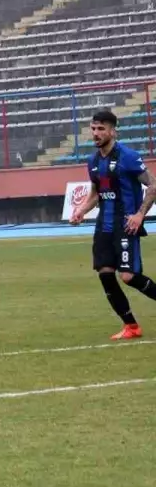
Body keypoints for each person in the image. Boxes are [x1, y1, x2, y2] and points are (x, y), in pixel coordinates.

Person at [69, 109, 156, 340]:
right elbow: (97, 194)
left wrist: (139, 215)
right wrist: (81, 211)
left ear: (112, 131)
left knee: (128, 276)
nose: (96, 133)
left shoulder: (127, 156)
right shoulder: (93, 161)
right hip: (103, 226)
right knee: (106, 274)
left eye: (101, 129)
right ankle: (131, 326)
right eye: (93, 128)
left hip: (125, 224)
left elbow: (153, 185)